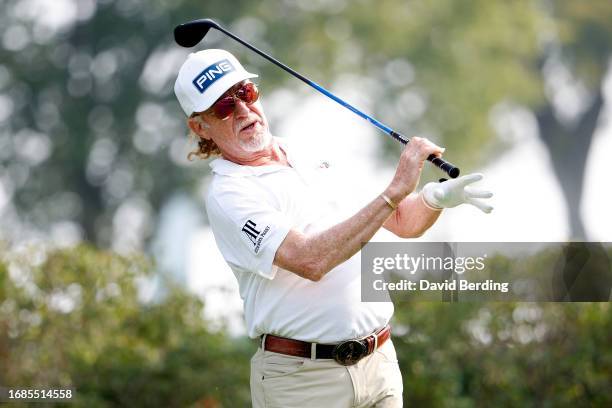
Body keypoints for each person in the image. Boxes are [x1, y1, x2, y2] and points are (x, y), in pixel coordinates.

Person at [174, 49, 493, 407]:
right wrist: (396, 190)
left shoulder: (309, 151)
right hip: (301, 382)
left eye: (245, 93)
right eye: (223, 107)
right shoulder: (229, 194)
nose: (244, 111)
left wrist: (433, 200)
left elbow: (403, 221)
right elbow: (310, 260)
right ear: (200, 127)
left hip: (379, 365)